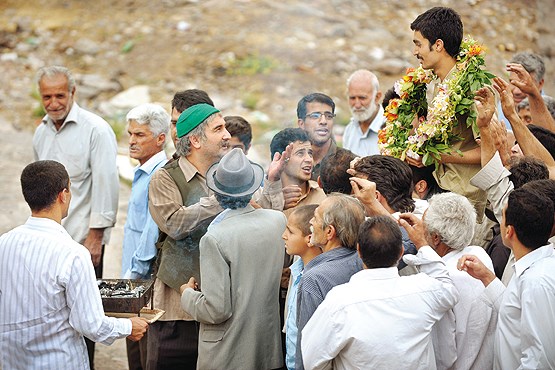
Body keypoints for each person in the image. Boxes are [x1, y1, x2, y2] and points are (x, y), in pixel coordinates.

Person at [147, 103, 285, 369]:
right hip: (179, 309)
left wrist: (271, 183)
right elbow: (173, 224)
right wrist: (221, 198)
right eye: (218, 129)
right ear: (196, 140)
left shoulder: (232, 171)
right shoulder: (164, 178)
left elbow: (263, 218)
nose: (226, 135)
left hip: (228, 313)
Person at [0, 160, 148, 370]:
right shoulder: (73, 254)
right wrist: (128, 326)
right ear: (63, 194)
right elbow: (90, 324)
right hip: (60, 361)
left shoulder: (4, 243)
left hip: (13, 361)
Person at [32, 65, 119, 368]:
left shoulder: (96, 129)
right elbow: (38, 189)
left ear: (72, 92)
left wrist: (96, 238)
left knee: (86, 314)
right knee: (53, 312)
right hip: (48, 241)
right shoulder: (41, 132)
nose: (53, 103)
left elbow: (108, 186)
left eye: (59, 95)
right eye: (47, 96)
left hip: (83, 240)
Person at [301, 215, 458, 370]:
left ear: (359, 251)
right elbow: (448, 288)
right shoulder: (423, 290)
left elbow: (312, 360)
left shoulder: (339, 301)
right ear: (401, 252)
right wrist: (422, 244)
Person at [180, 148, 286, 369]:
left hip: (227, 353)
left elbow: (216, 309)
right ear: (252, 188)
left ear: (217, 193)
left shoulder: (215, 237)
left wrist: (187, 294)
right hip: (267, 348)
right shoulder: (278, 221)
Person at [458, 187, 555, 369]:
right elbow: (515, 313)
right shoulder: (534, 269)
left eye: (502, 217)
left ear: (509, 231)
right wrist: (486, 277)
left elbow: (540, 360)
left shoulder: (536, 282)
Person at [409, 7, 486, 219]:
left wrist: (437, 156)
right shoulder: (433, 83)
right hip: (440, 187)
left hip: (467, 196)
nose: (415, 52)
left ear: (438, 45)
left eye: (418, 44)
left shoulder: (472, 87)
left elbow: (491, 151)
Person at [404, 192, 496, 369]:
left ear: (436, 238)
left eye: (424, 228)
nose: (420, 231)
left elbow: (443, 354)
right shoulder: (479, 255)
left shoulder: (443, 279)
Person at [121, 103, 170, 370]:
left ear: (160, 139)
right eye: (130, 134)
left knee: (144, 357)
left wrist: (131, 279)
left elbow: (150, 236)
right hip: (133, 283)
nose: (131, 141)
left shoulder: (158, 176)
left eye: (139, 135)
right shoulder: (142, 172)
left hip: (141, 284)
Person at [295, 193, 365, 369]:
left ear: (329, 232)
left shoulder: (314, 279)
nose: (310, 222)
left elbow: (307, 348)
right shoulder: (363, 261)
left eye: (316, 218)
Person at [282, 204, 321, 370]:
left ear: (310, 238)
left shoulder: (315, 281)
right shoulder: (298, 268)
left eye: (290, 232)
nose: (284, 236)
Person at [270, 127, 326, 216]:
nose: (309, 159)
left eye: (310, 153)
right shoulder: (265, 199)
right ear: (281, 159)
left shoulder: (324, 196)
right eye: (300, 153)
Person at [296, 92, 337, 181]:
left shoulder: (348, 164)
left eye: (329, 116)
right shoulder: (289, 163)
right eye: (315, 116)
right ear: (301, 123)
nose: (323, 121)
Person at [343, 69, 384, 156]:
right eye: (352, 98)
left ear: (377, 97)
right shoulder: (349, 130)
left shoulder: (393, 128)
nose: (357, 105)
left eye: (362, 98)